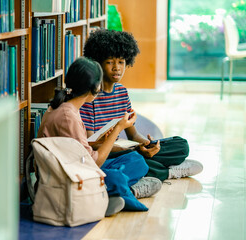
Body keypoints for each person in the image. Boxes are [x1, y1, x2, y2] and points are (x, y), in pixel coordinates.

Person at [37, 57, 162, 216]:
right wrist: (117, 129)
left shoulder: (68, 108)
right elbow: (93, 163)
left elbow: (76, 147)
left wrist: (98, 141)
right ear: (95, 88)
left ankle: (116, 192)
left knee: (137, 160)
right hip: (68, 177)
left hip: (74, 166)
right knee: (115, 177)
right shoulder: (68, 116)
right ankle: (119, 193)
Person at [80, 29, 203, 182]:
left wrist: (148, 144)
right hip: (106, 152)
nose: (117, 68)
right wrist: (133, 150)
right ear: (98, 63)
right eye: (110, 62)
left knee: (181, 145)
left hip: (124, 148)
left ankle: (150, 164)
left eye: (121, 62)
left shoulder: (122, 92)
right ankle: (166, 172)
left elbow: (133, 135)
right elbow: (91, 145)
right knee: (134, 159)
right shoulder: (89, 97)